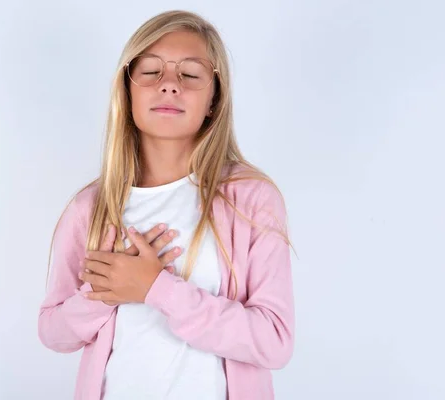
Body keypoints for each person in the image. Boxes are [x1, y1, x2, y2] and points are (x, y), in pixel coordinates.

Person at [38, 9, 295, 400]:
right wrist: (107, 291)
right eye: (151, 71)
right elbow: (53, 333)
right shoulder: (91, 207)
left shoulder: (250, 199)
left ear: (214, 98)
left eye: (190, 74)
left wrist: (156, 288)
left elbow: (275, 341)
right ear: (127, 90)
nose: (169, 85)